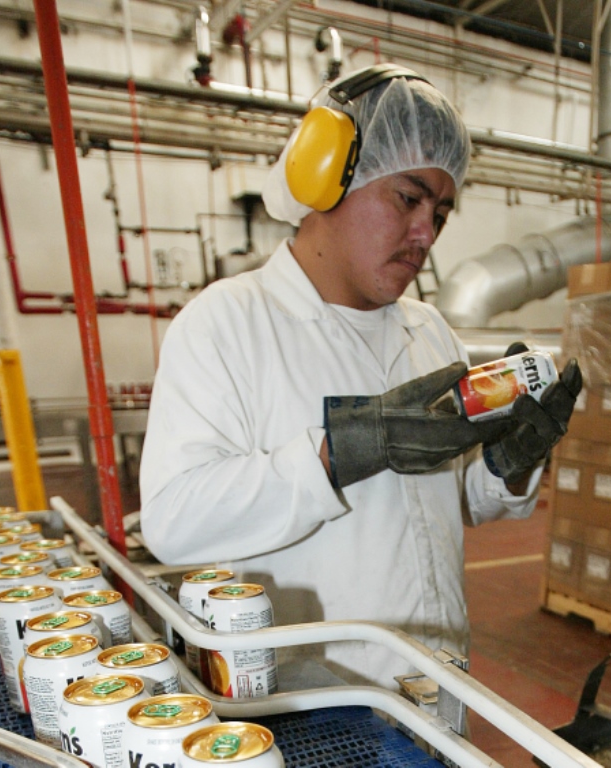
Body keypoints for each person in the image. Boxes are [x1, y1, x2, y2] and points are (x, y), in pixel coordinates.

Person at [139, 63, 582, 690]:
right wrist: (337, 452)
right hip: (316, 705)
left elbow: (449, 505)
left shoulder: (428, 331)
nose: (426, 234)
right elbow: (172, 522)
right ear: (327, 178)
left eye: (442, 213)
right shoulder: (226, 324)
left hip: (439, 680)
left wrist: (505, 468)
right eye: (408, 198)